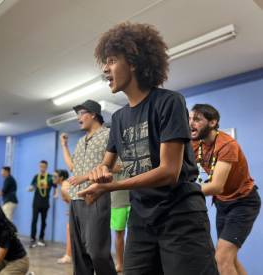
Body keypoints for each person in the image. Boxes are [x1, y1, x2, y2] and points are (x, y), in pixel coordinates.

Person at [77, 22, 218, 274]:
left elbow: (169, 172)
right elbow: (106, 164)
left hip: (180, 215)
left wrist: (112, 185)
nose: (105, 69)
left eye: (111, 61)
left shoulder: (169, 102)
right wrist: (98, 174)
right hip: (142, 218)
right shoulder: (118, 118)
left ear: (133, 61)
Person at [190, 104, 261, 275]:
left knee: (221, 259)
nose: (191, 123)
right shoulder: (195, 143)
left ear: (213, 122)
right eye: (190, 119)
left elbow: (216, 186)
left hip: (243, 203)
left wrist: (184, 190)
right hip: (222, 203)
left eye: (197, 119)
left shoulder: (227, 144)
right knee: (229, 258)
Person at [60, 99, 117, 275]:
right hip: (76, 199)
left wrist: (87, 176)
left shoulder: (108, 135)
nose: (78, 117)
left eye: (81, 113)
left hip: (96, 198)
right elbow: (73, 168)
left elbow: (118, 165)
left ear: (93, 114)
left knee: (97, 252)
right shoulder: (80, 141)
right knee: (79, 253)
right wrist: (64, 146)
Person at [28, 160, 58, 248]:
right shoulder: (36, 177)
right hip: (36, 202)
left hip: (45, 203)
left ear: (46, 167)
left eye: (44, 166)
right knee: (34, 220)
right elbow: (32, 186)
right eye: (41, 166)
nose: (42, 168)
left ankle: (41, 238)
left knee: (43, 221)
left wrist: (56, 194)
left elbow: (55, 186)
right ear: (39, 166)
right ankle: (32, 239)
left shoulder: (50, 177)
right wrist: (30, 188)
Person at [110, 161, 131, 273]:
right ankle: (120, 264)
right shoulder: (111, 151)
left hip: (135, 198)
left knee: (136, 234)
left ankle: (132, 263)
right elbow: (106, 166)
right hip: (117, 200)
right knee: (119, 234)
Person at [52, 169, 72, 264]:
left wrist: (72, 211)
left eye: (55, 176)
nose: (53, 178)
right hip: (75, 211)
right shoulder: (65, 184)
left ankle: (68, 256)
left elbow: (74, 201)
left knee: (70, 232)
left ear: (61, 178)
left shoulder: (64, 187)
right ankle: (69, 255)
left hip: (77, 212)